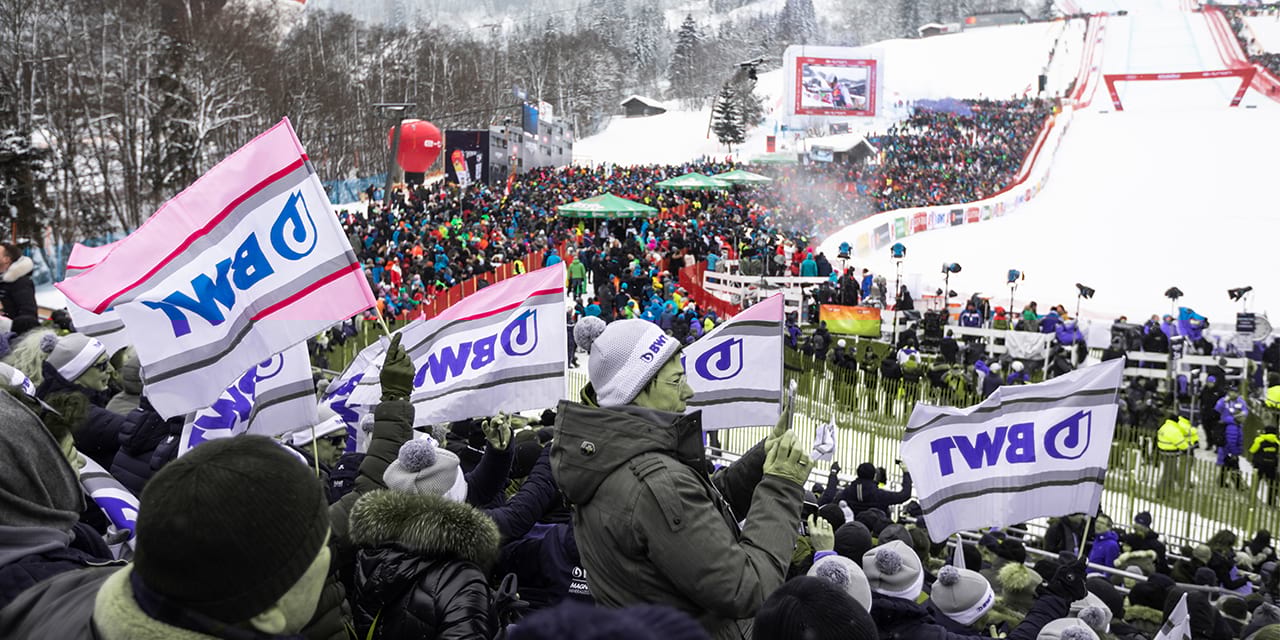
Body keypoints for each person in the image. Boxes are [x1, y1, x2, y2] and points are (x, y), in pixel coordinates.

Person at [553, 316, 812, 639]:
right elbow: (748, 588)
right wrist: (781, 485)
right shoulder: (654, 481)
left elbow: (696, 520)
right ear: (637, 390)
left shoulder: (614, 459)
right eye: (677, 381)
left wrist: (761, 461)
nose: (689, 392)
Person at [0, 435, 336, 639]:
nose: (331, 555)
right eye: (322, 547)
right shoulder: (54, 580)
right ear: (267, 611)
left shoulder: (54, 595)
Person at [34, 332, 129, 469]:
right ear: (76, 375)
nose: (111, 369)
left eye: (108, 361)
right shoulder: (73, 411)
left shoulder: (52, 395)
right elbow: (134, 431)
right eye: (102, 365)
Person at [840, 461, 912, 516]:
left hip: (851, 527)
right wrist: (906, 472)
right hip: (875, 532)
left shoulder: (847, 492)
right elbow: (905, 495)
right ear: (874, 476)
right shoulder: (879, 495)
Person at [0, 243, 39, 335]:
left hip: (10, 339)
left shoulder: (21, 283)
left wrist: (6, 324)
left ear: (6, 259)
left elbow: (29, 317)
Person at [1250, 424, 1279, 507]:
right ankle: (1271, 501)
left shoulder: (1259, 440)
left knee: (1256, 481)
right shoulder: (1277, 442)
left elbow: (1252, 450)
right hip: (1272, 466)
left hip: (1259, 464)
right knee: (1272, 484)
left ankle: (1252, 498)